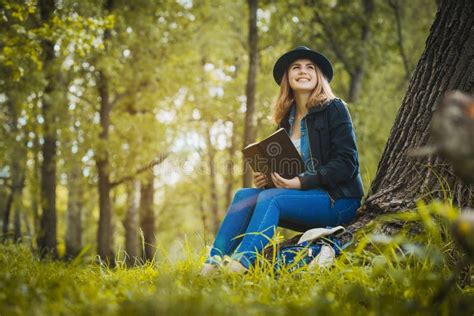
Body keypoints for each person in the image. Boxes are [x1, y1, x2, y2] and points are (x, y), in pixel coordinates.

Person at [200, 46, 364, 275]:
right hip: (302, 198)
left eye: (310, 67)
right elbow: (289, 172)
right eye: (296, 67)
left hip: (339, 200)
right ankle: (211, 266)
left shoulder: (334, 108)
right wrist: (267, 179)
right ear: (288, 77)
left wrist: (299, 182)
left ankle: (239, 266)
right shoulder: (285, 121)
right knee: (243, 196)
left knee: (271, 199)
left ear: (319, 76)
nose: (303, 71)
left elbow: (347, 163)